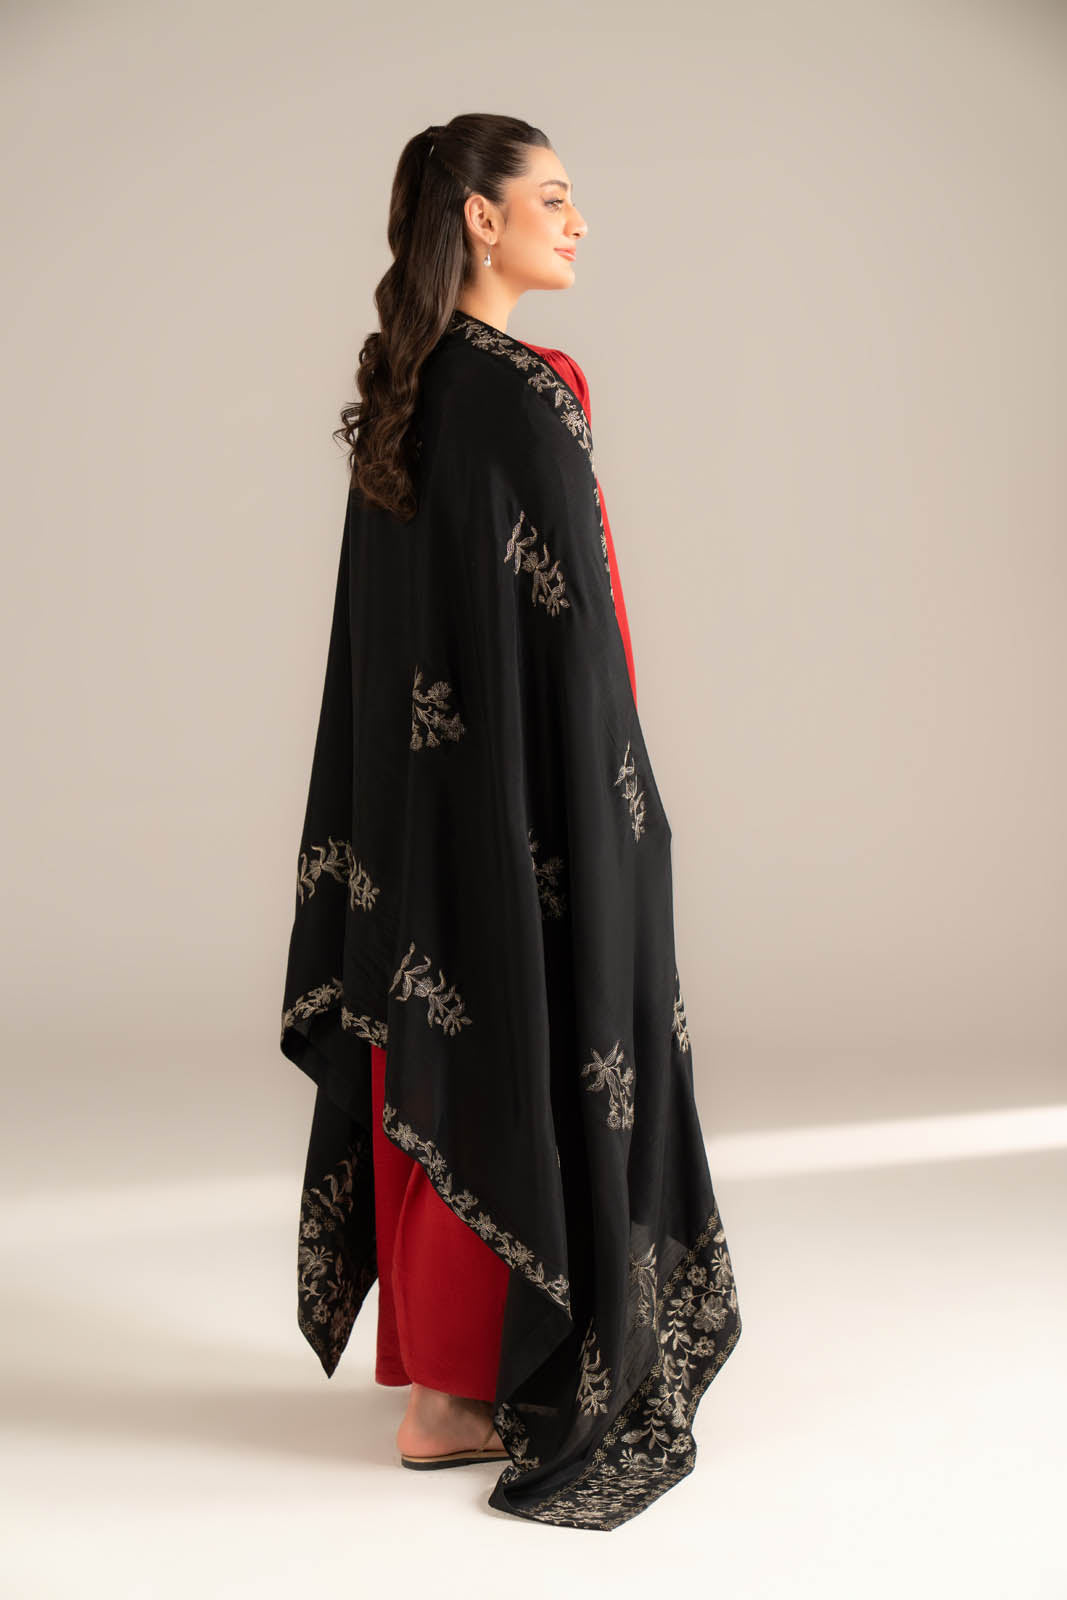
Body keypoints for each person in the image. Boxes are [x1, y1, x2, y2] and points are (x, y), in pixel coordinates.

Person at [279, 113, 742, 1531]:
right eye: (552, 196)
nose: (577, 220)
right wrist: (618, 805)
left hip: (426, 812)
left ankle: (446, 1385)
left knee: (447, 1040)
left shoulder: (414, 388)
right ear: (480, 219)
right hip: (537, 799)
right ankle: (456, 1394)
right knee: (529, 1035)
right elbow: (584, 639)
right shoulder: (526, 391)